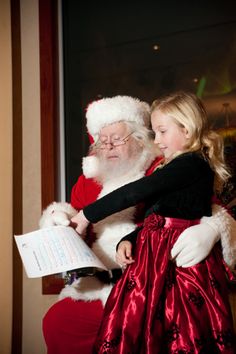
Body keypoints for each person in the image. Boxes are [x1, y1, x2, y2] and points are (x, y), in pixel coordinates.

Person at [40, 95, 236, 354]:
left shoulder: (162, 166)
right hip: (102, 282)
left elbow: (204, 208)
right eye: (102, 139)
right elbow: (76, 216)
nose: (108, 146)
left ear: (139, 138)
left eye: (117, 139)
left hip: (151, 278)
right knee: (58, 322)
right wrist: (58, 221)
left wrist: (213, 228)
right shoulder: (89, 180)